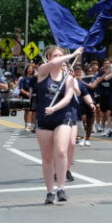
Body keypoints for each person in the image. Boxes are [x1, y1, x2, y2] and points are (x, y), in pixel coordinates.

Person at [35, 46, 82, 205]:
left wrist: (55, 107)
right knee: (47, 157)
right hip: (43, 119)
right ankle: (50, 191)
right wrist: (73, 54)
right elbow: (54, 62)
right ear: (48, 58)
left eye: (62, 55)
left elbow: (69, 98)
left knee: (61, 151)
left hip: (62, 116)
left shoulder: (68, 77)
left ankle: (61, 187)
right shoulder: (42, 72)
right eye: (55, 55)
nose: (59, 58)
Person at [18, 64, 36, 131]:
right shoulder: (23, 79)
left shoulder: (35, 78)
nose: (30, 69)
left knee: (33, 112)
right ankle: (26, 125)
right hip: (26, 96)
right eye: (29, 68)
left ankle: (32, 125)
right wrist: (27, 93)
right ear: (26, 70)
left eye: (31, 68)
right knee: (27, 111)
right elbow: (21, 89)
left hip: (34, 96)